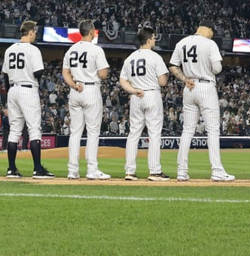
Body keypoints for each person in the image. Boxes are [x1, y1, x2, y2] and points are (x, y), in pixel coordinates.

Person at [169, 24, 235, 182]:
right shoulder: (210, 43)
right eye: (211, 33)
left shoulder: (182, 42)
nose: (211, 36)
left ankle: (181, 171)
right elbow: (218, 68)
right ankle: (217, 171)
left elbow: (173, 66)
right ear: (206, 30)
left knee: (187, 130)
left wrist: (185, 79)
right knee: (212, 130)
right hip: (206, 86)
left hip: (189, 86)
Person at [2, 20, 53, 178]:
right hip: (27, 89)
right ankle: (37, 169)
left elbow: (4, 75)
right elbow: (38, 72)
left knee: (15, 130)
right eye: (35, 32)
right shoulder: (33, 49)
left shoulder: (9, 49)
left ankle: (11, 169)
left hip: (13, 90)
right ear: (30, 32)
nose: (35, 34)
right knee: (34, 129)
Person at [62, 21, 111, 180]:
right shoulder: (96, 49)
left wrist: (74, 85)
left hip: (75, 90)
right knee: (92, 132)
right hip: (90, 89)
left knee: (75, 132)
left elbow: (65, 73)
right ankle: (92, 170)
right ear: (91, 32)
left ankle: (72, 170)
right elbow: (103, 74)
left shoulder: (71, 49)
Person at [119, 26, 169, 181]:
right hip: (151, 94)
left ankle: (130, 171)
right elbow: (162, 81)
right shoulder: (155, 57)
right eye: (153, 38)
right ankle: (154, 172)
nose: (154, 40)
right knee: (154, 134)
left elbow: (122, 81)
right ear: (148, 40)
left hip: (136, 96)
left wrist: (133, 91)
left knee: (133, 134)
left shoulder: (130, 58)